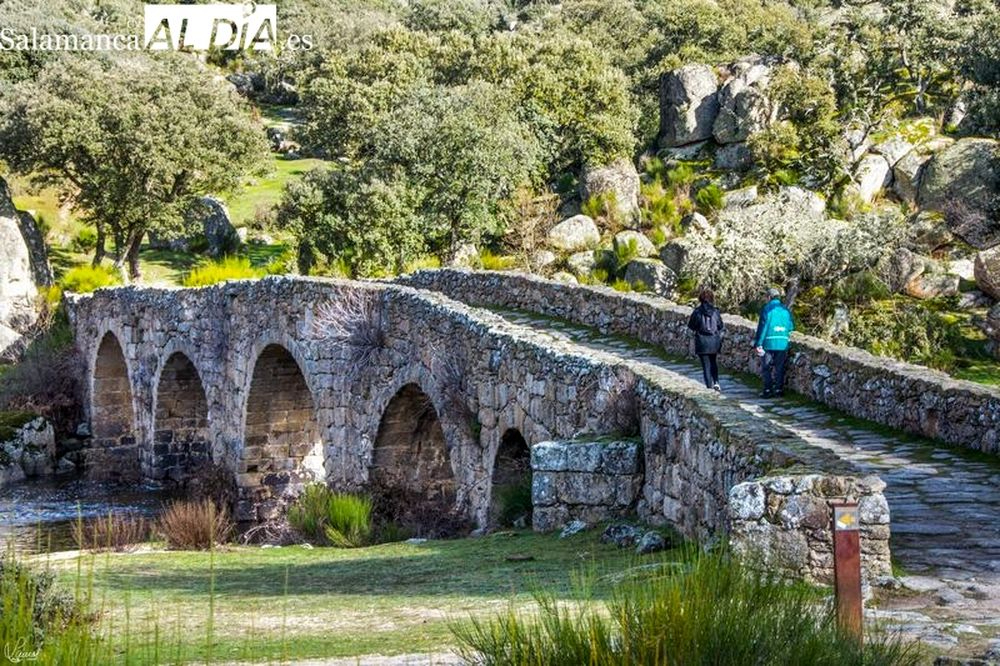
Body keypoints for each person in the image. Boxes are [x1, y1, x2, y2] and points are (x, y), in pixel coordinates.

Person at [754, 287, 795, 398]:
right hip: (782, 343)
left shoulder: (767, 309)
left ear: (769, 297)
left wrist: (758, 343)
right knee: (779, 367)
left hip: (768, 342)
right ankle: (778, 390)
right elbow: (791, 326)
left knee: (766, 367)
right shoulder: (785, 310)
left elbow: (763, 327)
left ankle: (767, 390)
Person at [687, 288, 724, 391]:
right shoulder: (716, 311)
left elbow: (691, 326)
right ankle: (716, 382)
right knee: (713, 362)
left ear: (700, 299)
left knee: (706, 365)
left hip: (702, 341)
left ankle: (709, 386)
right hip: (714, 341)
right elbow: (720, 325)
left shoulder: (697, 312)